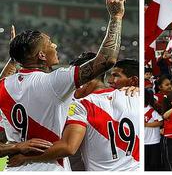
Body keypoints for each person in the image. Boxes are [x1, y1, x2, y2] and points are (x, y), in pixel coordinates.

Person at [0, 0, 125, 171]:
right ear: (42, 56)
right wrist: (116, 17)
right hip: (49, 168)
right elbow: (107, 60)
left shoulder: (3, 86)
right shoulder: (55, 81)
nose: (55, 45)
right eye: (50, 43)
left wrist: (15, 147)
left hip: (12, 169)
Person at [8, 57, 140, 171]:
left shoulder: (81, 105)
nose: (70, 86)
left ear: (85, 80)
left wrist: (25, 157)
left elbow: (68, 147)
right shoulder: (136, 95)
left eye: (73, 81)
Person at [144, 89, 163, 171]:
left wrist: (146, 124)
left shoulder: (152, 109)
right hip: (142, 142)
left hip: (153, 141)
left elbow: (160, 122)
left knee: (154, 165)